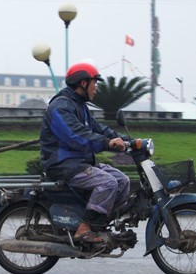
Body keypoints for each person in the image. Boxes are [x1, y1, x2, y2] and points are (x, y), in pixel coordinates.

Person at [40, 61, 131, 244]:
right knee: (107, 182)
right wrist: (107, 143)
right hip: (63, 164)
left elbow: (99, 129)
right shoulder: (61, 106)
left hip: (80, 163)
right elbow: (76, 136)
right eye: (94, 84)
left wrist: (127, 140)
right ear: (83, 83)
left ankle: (99, 224)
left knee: (123, 180)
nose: (96, 89)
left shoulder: (81, 107)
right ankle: (83, 229)